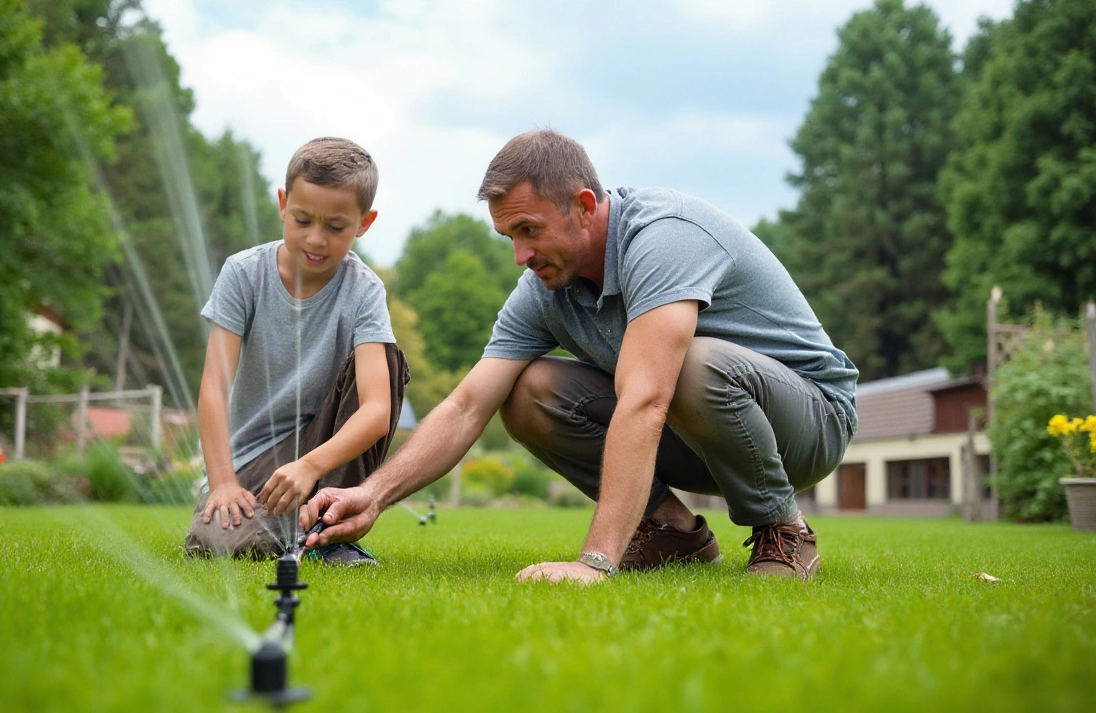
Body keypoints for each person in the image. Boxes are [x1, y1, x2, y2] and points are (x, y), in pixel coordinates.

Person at [301, 129, 857, 582]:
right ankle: (667, 531)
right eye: (508, 237)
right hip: (700, 436)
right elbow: (468, 405)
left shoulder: (663, 239)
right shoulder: (546, 284)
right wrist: (371, 495)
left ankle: (782, 530)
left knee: (684, 366)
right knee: (524, 391)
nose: (520, 255)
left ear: (584, 206)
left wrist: (594, 563)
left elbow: (646, 400)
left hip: (808, 423)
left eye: (529, 231)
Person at [183, 137, 408, 565]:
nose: (317, 239)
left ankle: (330, 533)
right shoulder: (244, 274)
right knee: (220, 542)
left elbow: (377, 410)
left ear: (365, 222)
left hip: (326, 450)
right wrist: (224, 483)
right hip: (253, 461)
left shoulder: (364, 291)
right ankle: (299, 532)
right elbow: (214, 387)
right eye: (303, 219)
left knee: (387, 360)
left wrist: (309, 466)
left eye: (336, 227)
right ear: (283, 203)